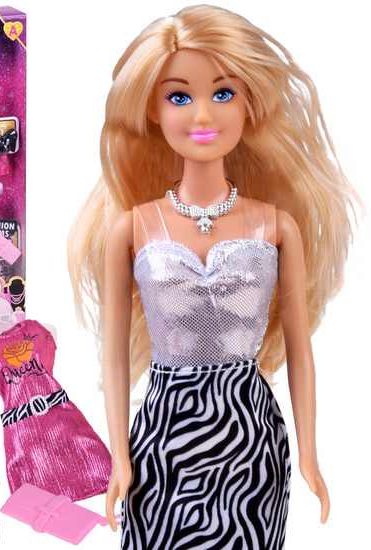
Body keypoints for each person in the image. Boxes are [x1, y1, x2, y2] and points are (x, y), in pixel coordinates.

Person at [68, 5, 359, 549]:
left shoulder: (276, 225)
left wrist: (309, 455)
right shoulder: (132, 227)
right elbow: (113, 355)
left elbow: (301, 351)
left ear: (248, 103)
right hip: (162, 438)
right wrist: (120, 460)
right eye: (179, 97)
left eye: (223, 93)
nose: (203, 116)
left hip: (251, 439)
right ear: (152, 109)